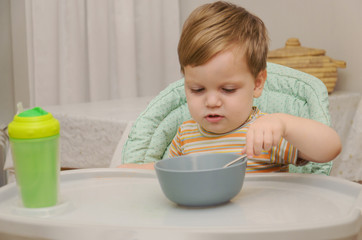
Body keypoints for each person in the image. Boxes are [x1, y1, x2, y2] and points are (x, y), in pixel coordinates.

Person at [120, 1, 341, 172]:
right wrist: (128, 172)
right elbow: (165, 173)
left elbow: (330, 148)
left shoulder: (265, 134)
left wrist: (283, 123)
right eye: (197, 89)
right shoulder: (185, 136)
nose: (212, 102)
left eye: (227, 90)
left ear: (257, 83)